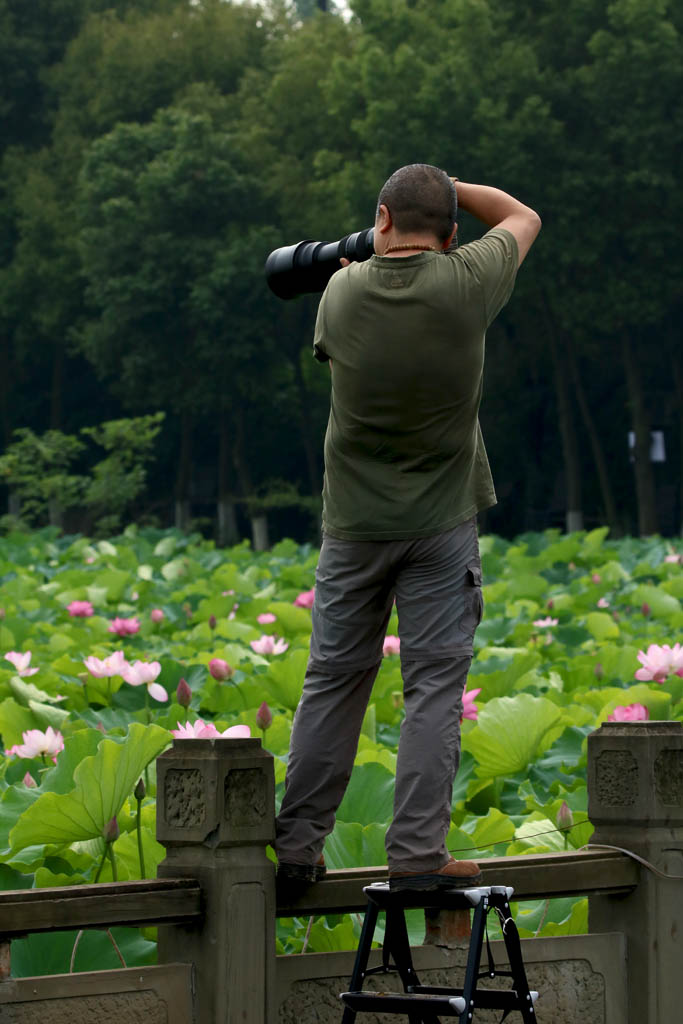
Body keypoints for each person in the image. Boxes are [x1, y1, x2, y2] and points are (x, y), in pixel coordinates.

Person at [274, 164, 541, 893]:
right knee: (430, 688)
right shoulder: (468, 284)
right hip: (441, 523)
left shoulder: (340, 290)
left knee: (332, 680)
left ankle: (297, 846)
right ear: (453, 235)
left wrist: (358, 254)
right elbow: (522, 216)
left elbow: (336, 334)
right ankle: (419, 853)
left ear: (381, 219)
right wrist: (455, 183)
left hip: (354, 524)